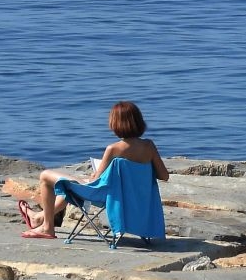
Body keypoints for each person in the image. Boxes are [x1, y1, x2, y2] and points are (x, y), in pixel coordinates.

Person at [18, 101, 169, 239]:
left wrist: (94, 175)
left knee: (46, 176)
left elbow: (96, 180)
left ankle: (47, 228)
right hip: (133, 197)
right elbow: (164, 176)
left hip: (109, 197)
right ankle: (39, 217)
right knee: (69, 184)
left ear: (115, 123)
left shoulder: (113, 149)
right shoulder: (149, 146)